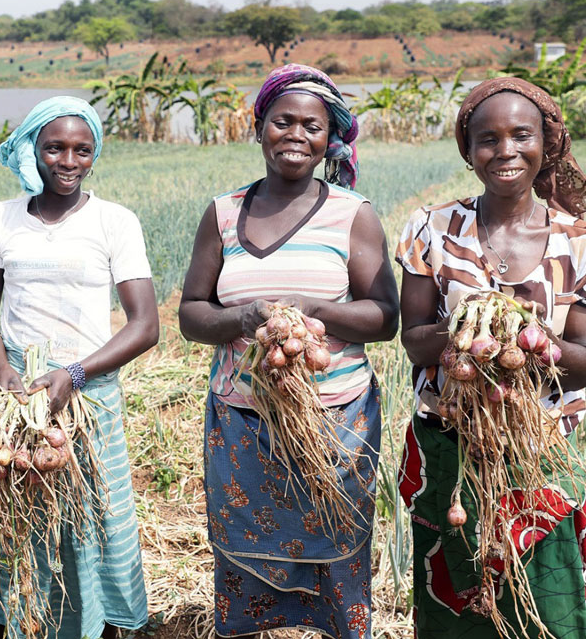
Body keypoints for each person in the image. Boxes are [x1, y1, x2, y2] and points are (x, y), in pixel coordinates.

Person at [178, 63, 399, 638]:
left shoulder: (353, 214)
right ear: (258, 128)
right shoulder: (223, 213)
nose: (296, 135)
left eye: (312, 126)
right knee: (243, 548)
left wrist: (314, 310)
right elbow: (191, 314)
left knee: (338, 540)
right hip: (242, 418)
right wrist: (242, 319)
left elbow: (385, 317)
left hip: (334, 418)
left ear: (330, 140)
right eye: (282, 122)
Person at [396, 77, 586, 637]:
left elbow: (584, 356)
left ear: (546, 144)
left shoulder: (578, 239)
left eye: (520, 135)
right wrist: (470, 327)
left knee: (547, 599)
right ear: (469, 150)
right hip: (450, 445)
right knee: (457, 600)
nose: (505, 151)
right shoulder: (430, 227)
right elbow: (413, 339)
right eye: (488, 139)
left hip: (543, 446)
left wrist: (531, 344)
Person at [0, 96, 159, 639]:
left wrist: (74, 375)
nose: (68, 161)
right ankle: (17, 621)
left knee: (93, 525)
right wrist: (5, 374)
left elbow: (145, 325)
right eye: (54, 148)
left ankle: (96, 628)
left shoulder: (114, 221)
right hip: (15, 394)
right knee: (13, 519)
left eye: (82, 149)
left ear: (94, 154)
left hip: (87, 394)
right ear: (34, 149)